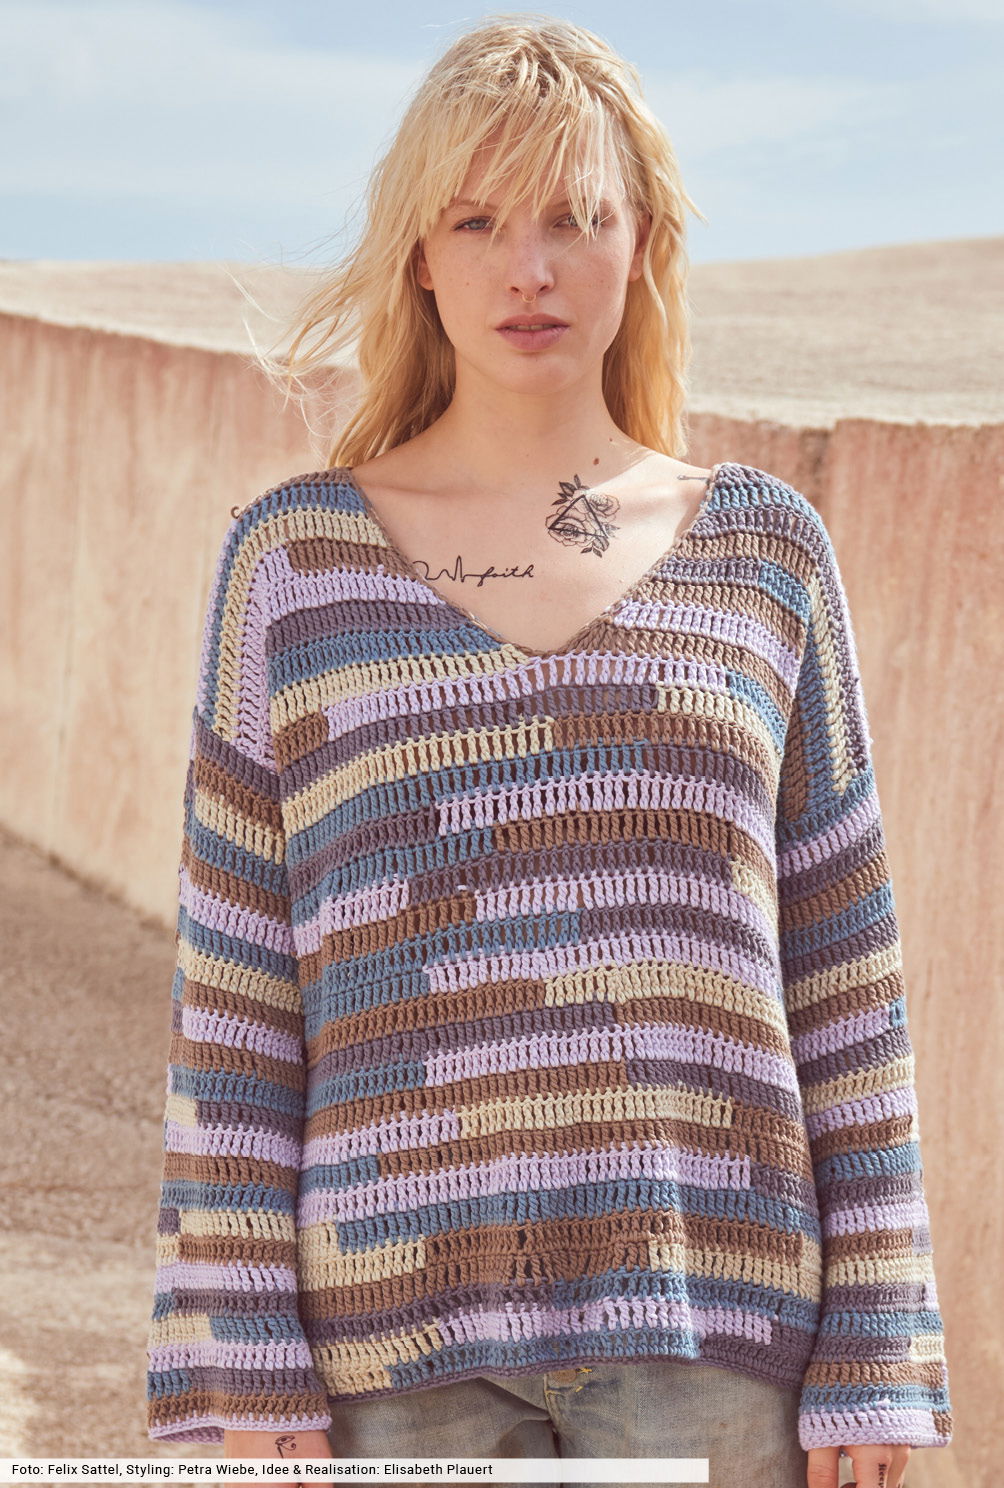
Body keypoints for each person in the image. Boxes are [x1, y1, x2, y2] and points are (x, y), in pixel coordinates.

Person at [145, 13, 952, 1488]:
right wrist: (236, 1342)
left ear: (643, 246)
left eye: (577, 218)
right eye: (479, 221)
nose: (530, 269)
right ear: (420, 257)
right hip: (384, 1350)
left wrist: (882, 1340)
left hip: (714, 1332)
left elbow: (846, 969)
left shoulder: (766, 556)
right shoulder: (293, 567)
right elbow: (237, 990)